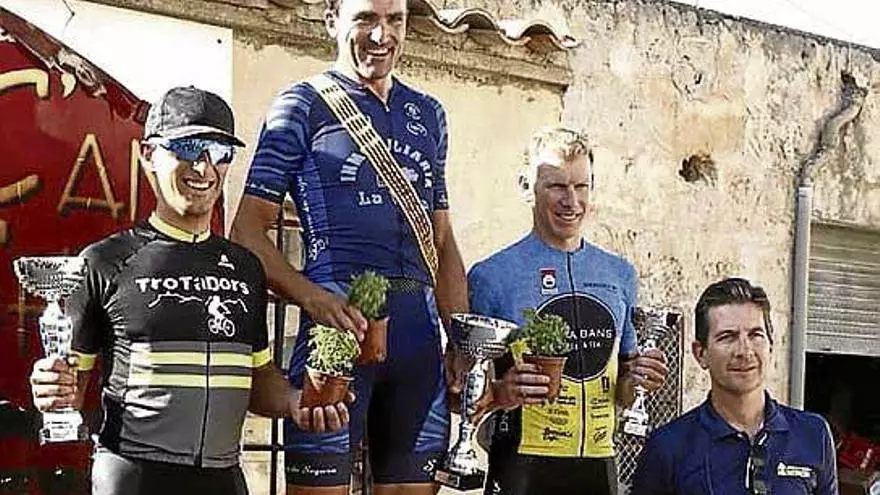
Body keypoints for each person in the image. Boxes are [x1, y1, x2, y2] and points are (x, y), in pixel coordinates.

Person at [28, 86, 349, 495]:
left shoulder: (246, 268)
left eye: (219, 152)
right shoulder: (105, 261)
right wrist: (53, 387)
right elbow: (69, 386)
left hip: (223, 476)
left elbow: (259, 379)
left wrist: (294, 401)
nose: (203, 167)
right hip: (134, 475)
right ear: (149, 154)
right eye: (187, 147)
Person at [229, 0, 469, 493]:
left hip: (419, 344)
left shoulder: (429, 114)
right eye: (365, 19)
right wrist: (311, 297)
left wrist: (462, 343)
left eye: (395, 20)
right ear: (332, 21)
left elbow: (441, 239)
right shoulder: (301, 105)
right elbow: (248, 232)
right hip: (334, 337)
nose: (382, 35)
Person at [467, 127, 669, 495]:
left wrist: (639, 380)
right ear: (527, 187)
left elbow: (623, 392)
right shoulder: (491, 276)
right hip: (520, 468)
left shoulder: (619, 274)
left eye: (581, 186)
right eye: (557, 186)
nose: (571, 201)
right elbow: (462, 394)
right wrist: (501, 392)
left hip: (599, 468)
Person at [630, 277, 839, 495]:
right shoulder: (668, 447)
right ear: (700, 354)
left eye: (755, 335)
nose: (744, 351)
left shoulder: (813, 434)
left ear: (771, 346)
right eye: (727, 337)